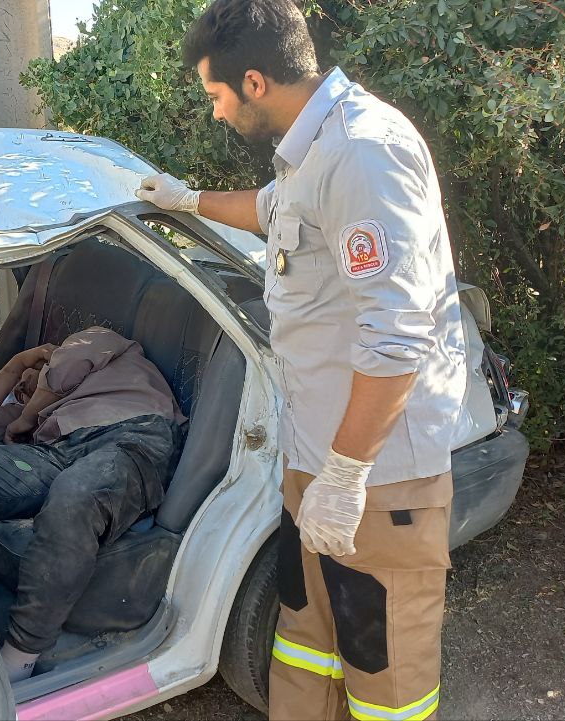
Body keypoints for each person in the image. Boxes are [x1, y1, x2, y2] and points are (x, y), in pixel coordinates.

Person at [137, 1, 466, 719]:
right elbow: (270, 211)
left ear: (254, 82)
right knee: (307, 649)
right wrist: (187, 201)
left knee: (386, 680)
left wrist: (345, 477)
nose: (216, 111)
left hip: (378, 479)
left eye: (217, 94)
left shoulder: (362, 151)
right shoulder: (310, 152)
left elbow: (397, 336)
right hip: (317, 461)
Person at [0, 327, 185, 682]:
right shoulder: (42, 415)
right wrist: (16, 366)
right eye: (19, 392)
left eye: (27, 381)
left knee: (74, 497)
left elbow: (63, 371)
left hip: (133, 432)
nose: (21, 391)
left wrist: (27, 409)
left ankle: (18, 661)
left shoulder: (91, 343)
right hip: (58, 451)